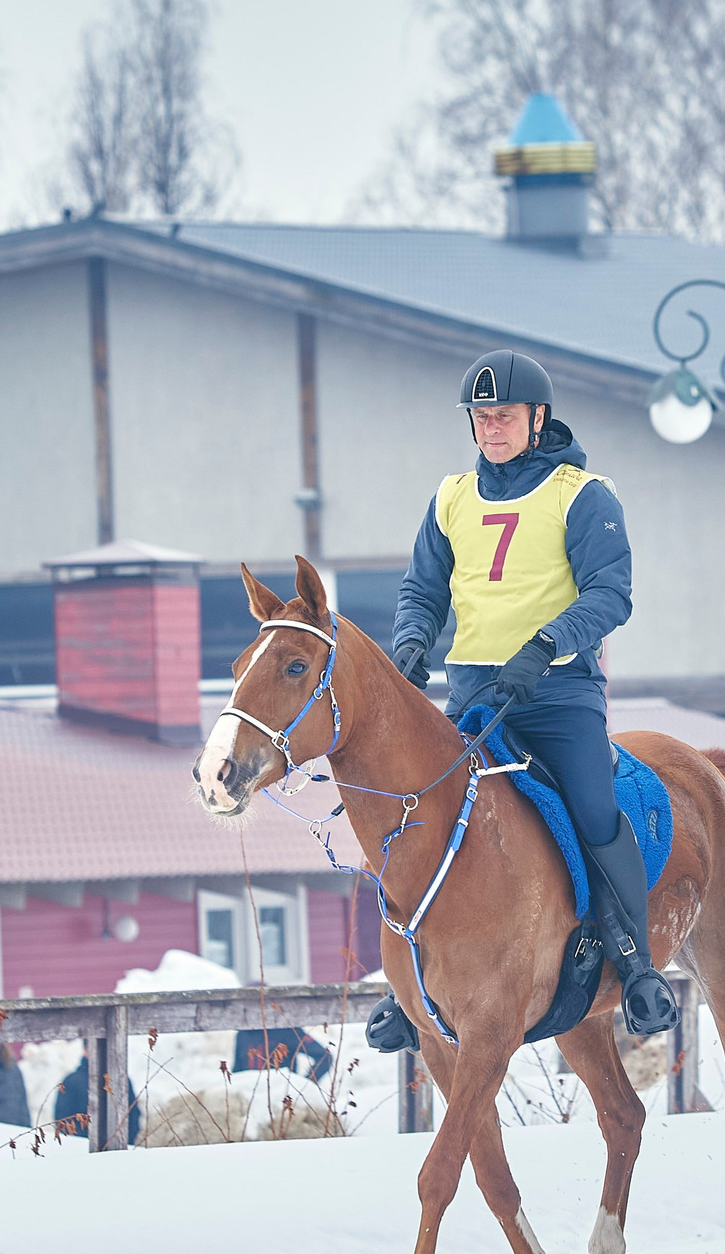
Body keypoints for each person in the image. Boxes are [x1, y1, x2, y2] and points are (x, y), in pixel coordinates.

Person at [366, 349, 677, 1047]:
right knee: (414, 812)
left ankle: (636, 967)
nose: (490, 427)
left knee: (595, 808)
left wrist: (546, 644)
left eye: (503, 415)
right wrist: (412, 641)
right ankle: (410, 984)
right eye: (480, 416)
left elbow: (610, 594)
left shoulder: (583, 493)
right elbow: (422, 590)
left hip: (559, 692)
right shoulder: (450, 496)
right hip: (474, 690)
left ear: (538, 418)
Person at [50, 1057, 142, 1144]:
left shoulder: (120, 1079)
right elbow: (62, 1118)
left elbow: (132, 1113)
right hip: (81, 1151)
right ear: (85, 1050)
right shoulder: (72, 1081)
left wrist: (125, 1142)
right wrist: (80, 1144)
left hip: (118, 1149)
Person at [230, 1026, 333, 1079]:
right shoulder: (243, 1033)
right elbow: (237, 1071)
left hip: (281, 1102)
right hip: (249, 1103)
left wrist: (304, 1085)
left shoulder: (286, 1030)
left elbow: (324, 1056)